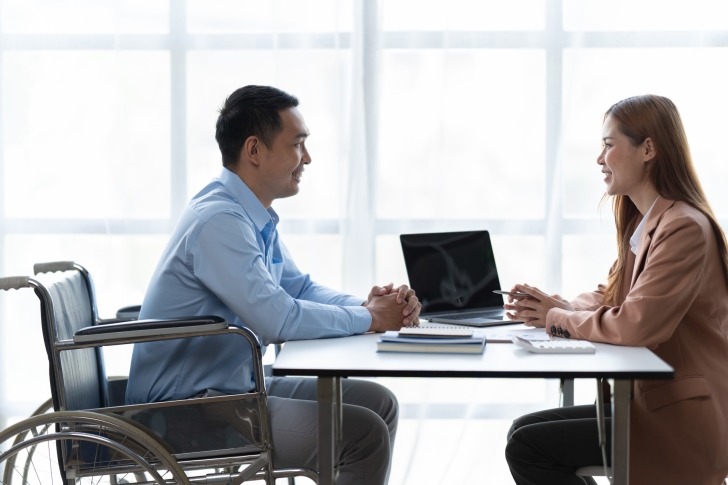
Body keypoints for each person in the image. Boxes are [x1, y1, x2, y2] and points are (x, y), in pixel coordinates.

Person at [126, 85, 422, 484]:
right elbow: (276, 319)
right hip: (185, 410)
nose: (308, 158)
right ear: (254, 151)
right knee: (362, 434)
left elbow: (297, 289)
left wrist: (372, 308)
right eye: (298, 145)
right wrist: (370, 318)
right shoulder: (220, 221)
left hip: (233, 388)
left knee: (378, 402)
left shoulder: (248, 214)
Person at [503, 95, 728, 484]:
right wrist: (564, 305)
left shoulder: (684, 228)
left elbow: (637, 324)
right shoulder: (649, 222)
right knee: (522, 432)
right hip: (649, 405)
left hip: (680, 421)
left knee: (528, 447)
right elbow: (614, 296)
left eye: (608, 145)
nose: (599, 158)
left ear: (649, 149)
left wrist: (558, 319)